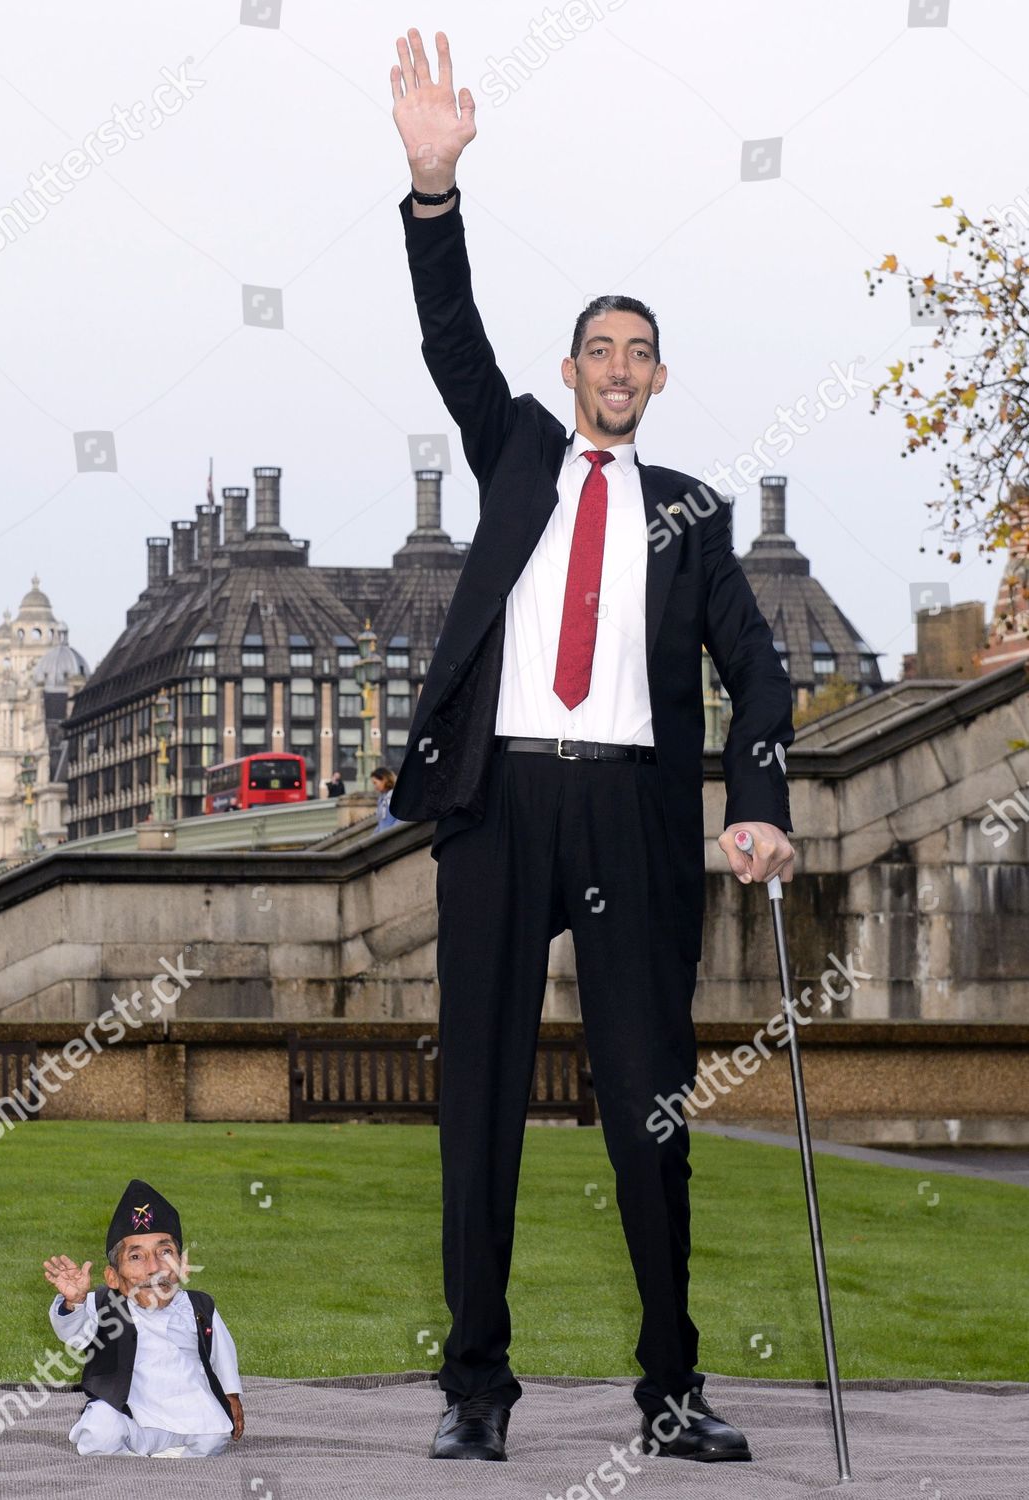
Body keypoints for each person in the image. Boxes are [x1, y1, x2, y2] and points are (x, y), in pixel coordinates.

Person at [387, 30, 795, 1466]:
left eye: (638, 354)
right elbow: (449, 333)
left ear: (658, 379)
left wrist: (753, 803)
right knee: (478, 1105)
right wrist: (431, 190)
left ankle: (671, 1387)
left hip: (630, 814)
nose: (615, 370)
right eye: (596, 351)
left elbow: (754, 671)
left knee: (649, 1110)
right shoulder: (510, 451)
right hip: (498, 807)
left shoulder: (689, 511)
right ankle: (475, 1391)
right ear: (569, 372)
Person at [43, 1178, 245, 1458]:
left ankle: (170, 1456)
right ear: (112, 1276)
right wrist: (74, 1301)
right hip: (129, 1411)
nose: (154, 1268)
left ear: (182, 1265)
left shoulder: (199, 1306)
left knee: (215, 1435)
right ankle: (131, 1457)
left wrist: (231, 1394)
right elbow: (74, 1332)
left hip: (187, 1410)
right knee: (101, 1429)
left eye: (165, 1252)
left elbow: (221, 1353)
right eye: (136, 1257)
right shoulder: (104, 1305)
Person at [371, 765, 400, 829]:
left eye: (375, 783)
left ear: (384, 779)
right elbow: (380, 824)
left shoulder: (395, 796)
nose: (374, 787)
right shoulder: (381, 799)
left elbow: (400, 820)